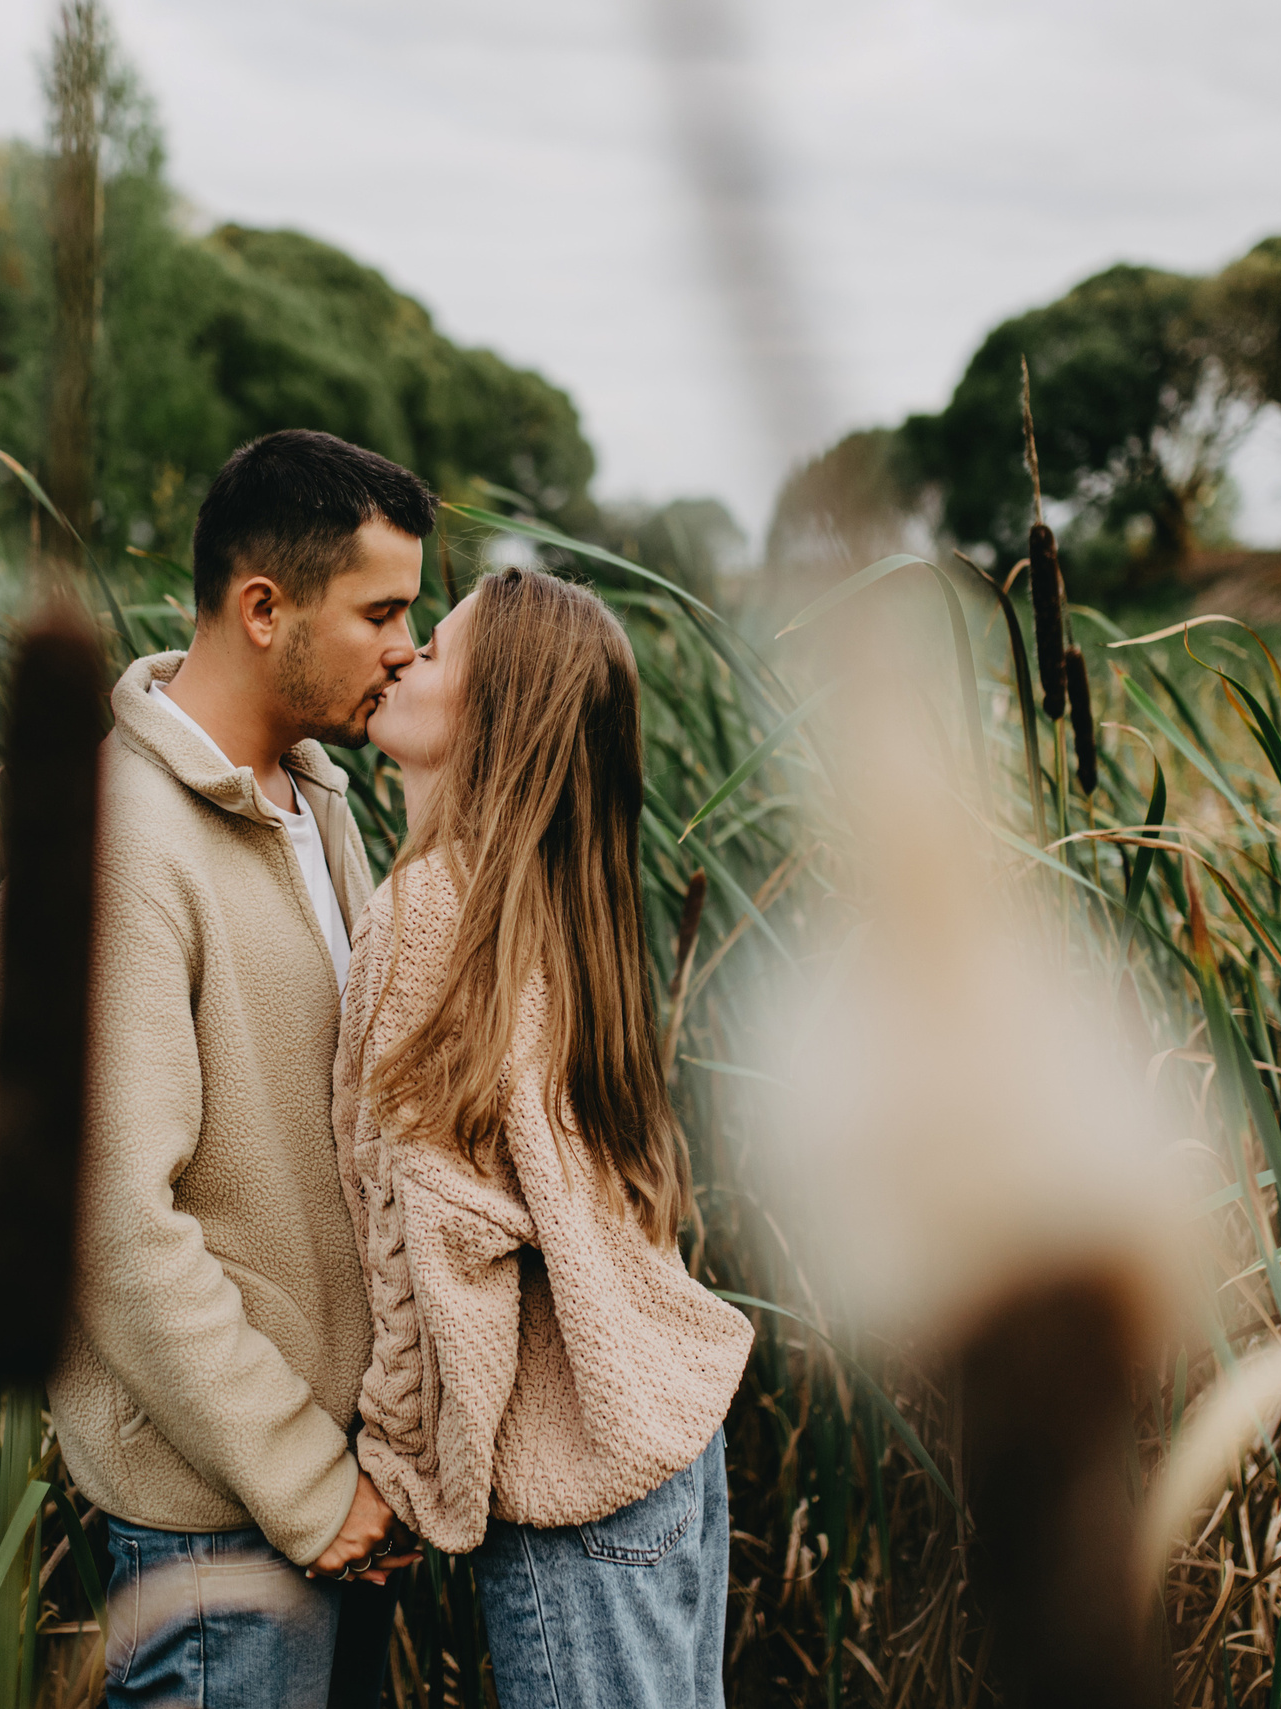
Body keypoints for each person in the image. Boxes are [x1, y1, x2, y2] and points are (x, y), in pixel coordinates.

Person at [0, 429, 431, 1708]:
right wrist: (304, 1480)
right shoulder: (121, 851)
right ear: (264, 607)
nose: (408, 643)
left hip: (337, 1495)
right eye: (381, 610)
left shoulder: (315, 800)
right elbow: (114, 1222)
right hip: (221, 1518)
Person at [333, 567, 754, 1708]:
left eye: (436, 654)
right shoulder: (556, 905)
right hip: (669, 1441)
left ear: (488, 718)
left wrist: (401, 1472)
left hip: (578, 1470)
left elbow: (439, 1237)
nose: (403, 655)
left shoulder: (429, 912)